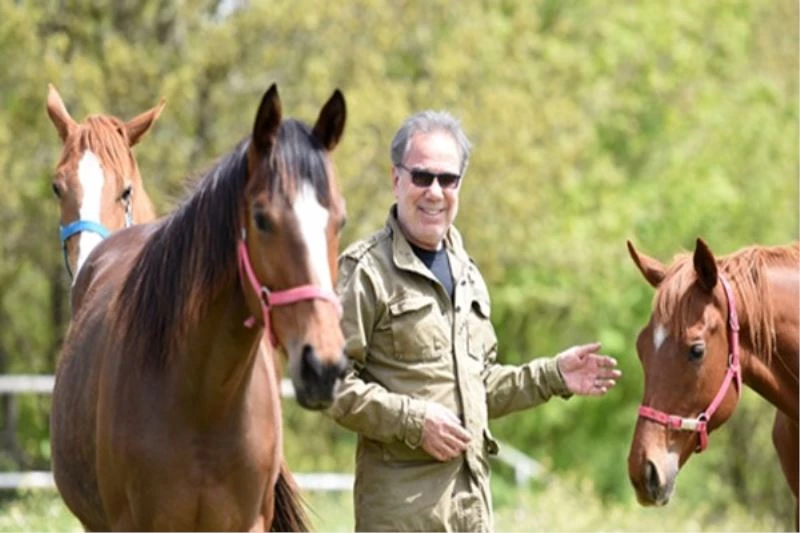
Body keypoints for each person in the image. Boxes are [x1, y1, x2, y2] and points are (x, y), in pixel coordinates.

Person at [327, 110, 621, 532]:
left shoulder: (468, 274)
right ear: (396, 179)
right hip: (401, 519)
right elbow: (330, 384)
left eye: (448, 179)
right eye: (422, 177)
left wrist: (552, 376)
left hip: (472, 514)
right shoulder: (366, 271)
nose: (435, 191)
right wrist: (413, 421)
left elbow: (476, 391)